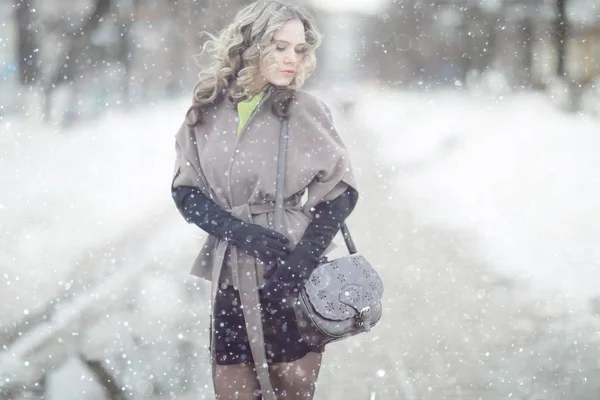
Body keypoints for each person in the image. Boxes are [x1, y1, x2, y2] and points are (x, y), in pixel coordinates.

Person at [171, 1, 359, 398]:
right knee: (231, 385)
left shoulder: (304, 110)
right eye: (280, 46)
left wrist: (300, 263)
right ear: (251, 44)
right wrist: (238, 230)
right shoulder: (207, 110)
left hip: (289, 268)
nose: (292, 58)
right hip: (230, 268)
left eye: (299, 49)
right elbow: (185, 190)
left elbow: (339, 194)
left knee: (291, 382)